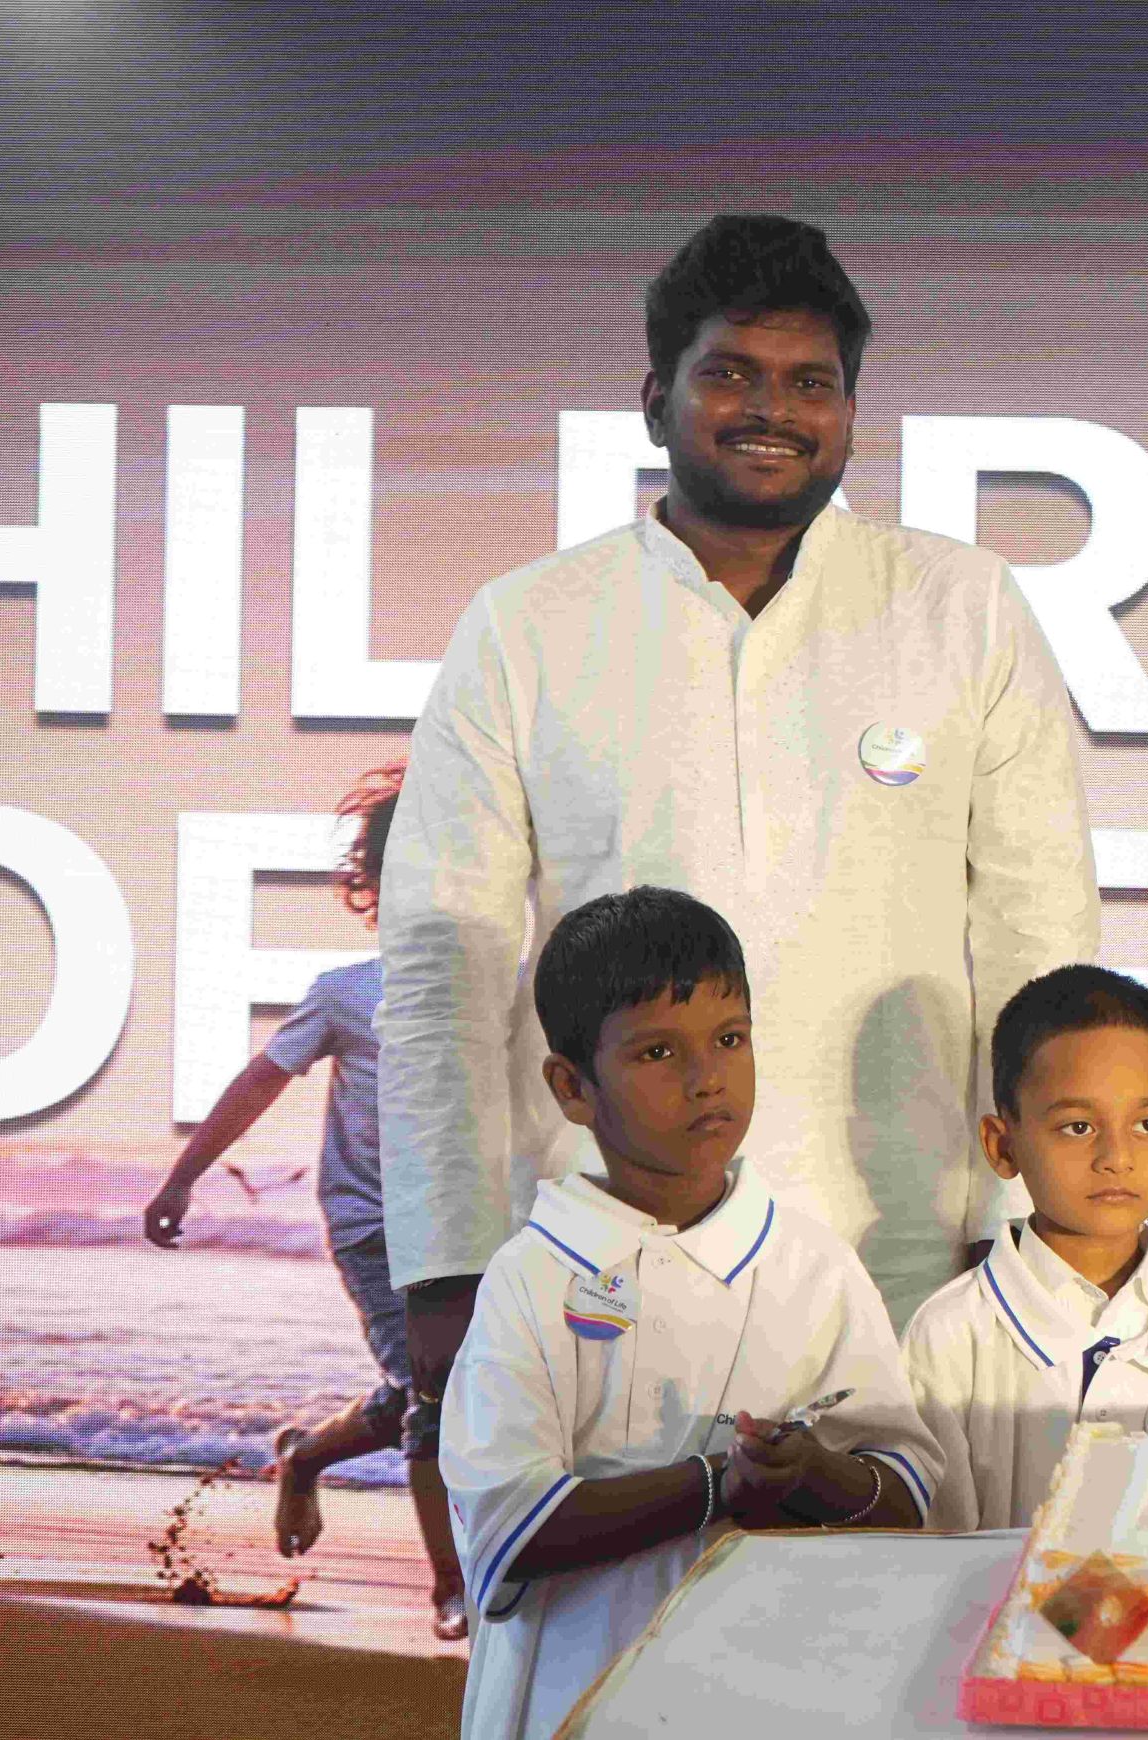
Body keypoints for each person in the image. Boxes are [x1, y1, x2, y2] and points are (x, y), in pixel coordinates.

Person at [382, 214, 1097, 1403]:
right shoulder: (528, 623)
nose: (773, 409)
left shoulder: (958, 605)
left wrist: (1029, 1216)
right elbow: (440, 959)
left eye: (810, 382)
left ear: (852, 411)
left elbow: (1038, 939)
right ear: (655, 397)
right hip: (602, 1247)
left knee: (905, 1580)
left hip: (907, 1247)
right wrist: (446, 1264)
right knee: (616, 1584)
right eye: (731, 374)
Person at [444, 886, 934, 1740]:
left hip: (775, 1701)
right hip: (572, 1697)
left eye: (730, 1039)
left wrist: (814, 1473)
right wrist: (715, 1485)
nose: (707, 1077)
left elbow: (906, 1496)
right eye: (657, 1052)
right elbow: (509, 1530)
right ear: (571, 1087)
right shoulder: (530, 1279)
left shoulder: (815, 1266)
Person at [140, 762, 469, 1639]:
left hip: (470, 1223)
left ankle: (309, 1454)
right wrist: (183, 1177)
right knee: (438, 1397)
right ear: (379, 884)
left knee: (444, 1391)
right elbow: (258, 1081)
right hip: (374, 1229)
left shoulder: (498, 981)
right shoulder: (348, 993)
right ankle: (453, 1585)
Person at [901, 966, 1148, 1529]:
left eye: (1146, 1123)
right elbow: (935, 1553)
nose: (1116, 1155)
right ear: (1003, 1145)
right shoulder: (947, 1335)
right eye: (1077, 1127)